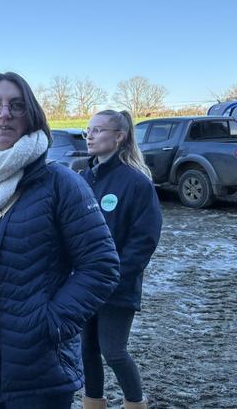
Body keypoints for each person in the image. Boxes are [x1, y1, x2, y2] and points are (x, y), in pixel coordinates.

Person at [0, 72, 120, 409]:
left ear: (31, 116)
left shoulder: (59, 183)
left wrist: (50, 324)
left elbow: (101, 266)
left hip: (39, 367)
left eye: (16, 106)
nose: (5, 113)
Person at [80, 110, 162, 409]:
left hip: (117, 286)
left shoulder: (136, 182)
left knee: (113, 350)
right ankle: (93, 403)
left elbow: (145, 239)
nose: (90, 135)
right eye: (88, 129)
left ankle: (136, 403)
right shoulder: (83, 178)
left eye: (98, 130)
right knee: (86, 350)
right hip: (83, 284)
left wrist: (115, 275)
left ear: (119, 137)